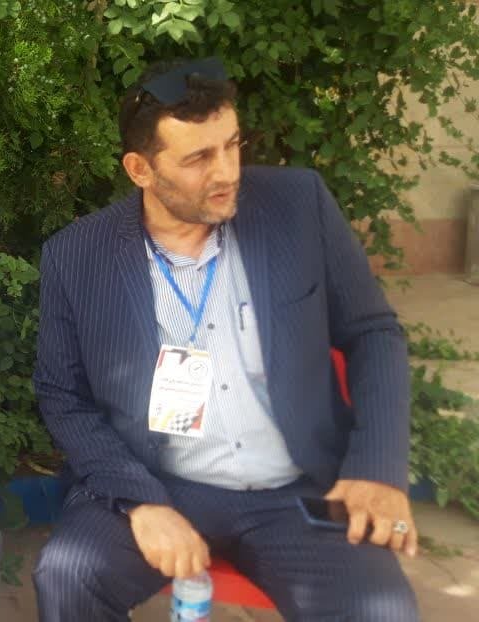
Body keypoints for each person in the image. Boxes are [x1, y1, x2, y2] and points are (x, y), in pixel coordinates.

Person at [32, 58, 419, 621]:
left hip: (293, 489)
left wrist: (376, 469)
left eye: (232, 146)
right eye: (198, 158)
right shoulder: (79, 255)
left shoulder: (297, 206)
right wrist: (140, 501)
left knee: (379, 611)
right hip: (159, 480)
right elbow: (62, 395)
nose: (226, 172)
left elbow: (372, 332)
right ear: (140, 169)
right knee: (69, 574)